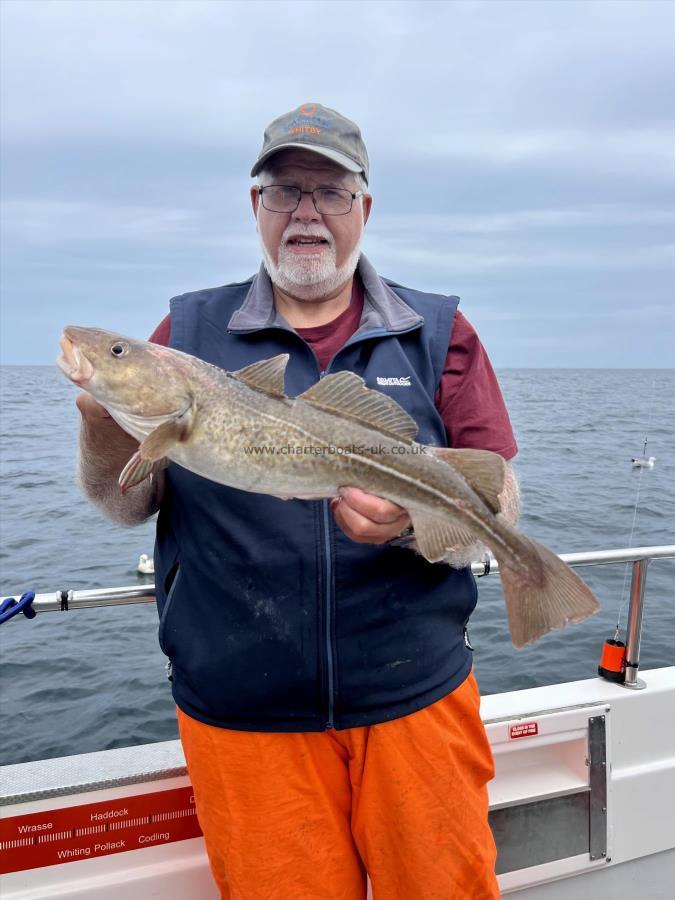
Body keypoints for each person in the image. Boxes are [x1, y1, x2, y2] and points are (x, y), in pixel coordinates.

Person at [77, 103, 519, 899]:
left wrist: (414, 521)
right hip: (242, 710)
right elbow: (123, 510)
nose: (306, 212)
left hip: (413, 693)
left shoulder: (440, 332)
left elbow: (500, 501)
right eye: (284, 191)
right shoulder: (183, 334)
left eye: (330, 192)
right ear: (256, 208)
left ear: (363, 210)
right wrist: (103, 419)